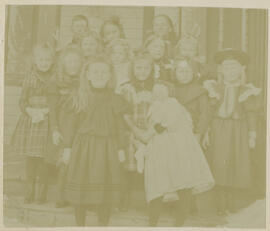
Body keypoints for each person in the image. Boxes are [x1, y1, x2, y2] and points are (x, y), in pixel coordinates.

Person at [125, 81, 214, 226]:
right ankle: (153, 223)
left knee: (180, 184)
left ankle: (177, 223)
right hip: (161, 149)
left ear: (169, 92)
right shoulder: (155, 107)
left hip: (176, 151)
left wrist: (128, 122)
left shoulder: (172, 106)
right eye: (155, 91)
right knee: (160, 185)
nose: (158, 94)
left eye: (162, 91)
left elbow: (147, 135)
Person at [64, 55, 132, 226]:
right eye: (95, 71)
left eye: (104, 72)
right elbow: (70, 125)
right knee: (81, 186)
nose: (99, 75)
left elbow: (120, 127)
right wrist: (67, 148)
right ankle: (80, 225)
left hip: (107, 147)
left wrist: (121, 149)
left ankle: (103, 225)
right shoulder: (78, 96)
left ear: (110, 75)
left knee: (106, 189)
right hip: (83, 147)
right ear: (87, 75)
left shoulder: (116, 99)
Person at [203, 48, 261, 215]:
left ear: (241, 70)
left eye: (234, 67)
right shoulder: (214, 88)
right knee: (219, 163)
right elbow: (208, 112)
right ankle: (220, 204)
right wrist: (206, 131)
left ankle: (233, 203)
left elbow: (251, 113)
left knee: (236, 164)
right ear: (221, 70)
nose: (230, 71)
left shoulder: (247, 90)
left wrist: (252, 134)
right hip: (218, 129)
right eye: (227, 68)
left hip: (238, 131)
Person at [10, 44, 56, 204]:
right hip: (31, 120)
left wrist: (48, 110)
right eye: (41, 59)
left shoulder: (55, 76)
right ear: (35, 61)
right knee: (31, 158)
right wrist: (29, 110)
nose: (44, 63)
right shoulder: (29, 77)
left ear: (52, 60)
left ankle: (41, 192)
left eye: (47, 59)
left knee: (44, 157)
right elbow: (22, 101)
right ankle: (29, 191)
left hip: (48, 118)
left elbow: (57, 99)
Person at [47, 46, 85, 208]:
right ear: (63, 63)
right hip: (64, 124)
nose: (73, 65)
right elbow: (52, 108)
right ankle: (60, 196)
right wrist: (55, 129)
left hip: (81, 124)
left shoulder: (84, 81)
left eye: (76, 61)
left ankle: (75, 195)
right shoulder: (56, 81)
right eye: (69, 61)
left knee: (78, 160)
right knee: (64, 159)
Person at [117, 52, 154, 211]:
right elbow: (123, 113)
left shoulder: (158, 87)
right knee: (128, 167)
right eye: (138, 68)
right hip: (131, 132)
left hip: (151, 133)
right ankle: (124, 199)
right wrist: (135, 130)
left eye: (146, 68)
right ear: (132, 69)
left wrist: (149, 132)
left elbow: (161, 112)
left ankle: (152, 201)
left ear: (152, 70)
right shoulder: (126, 88)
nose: (142, 71)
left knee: (151, 167)